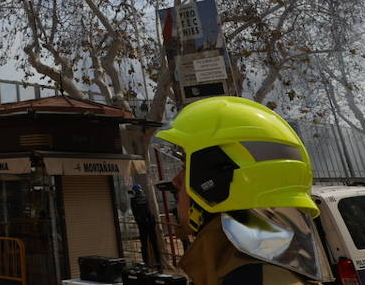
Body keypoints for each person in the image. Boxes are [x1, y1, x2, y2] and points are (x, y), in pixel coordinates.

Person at [154, 96, 325, 285]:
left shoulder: (253, 279)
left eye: (186, 167)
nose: (176, 181)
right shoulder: (271, 272)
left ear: (217, 180)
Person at [128, 183, 162, 267]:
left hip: (143, 225)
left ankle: (146, 262)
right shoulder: (145, 198)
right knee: (154, 244)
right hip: (150, 224)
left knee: (144, 245)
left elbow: (135, 211)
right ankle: (158, 262)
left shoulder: (134, 200)